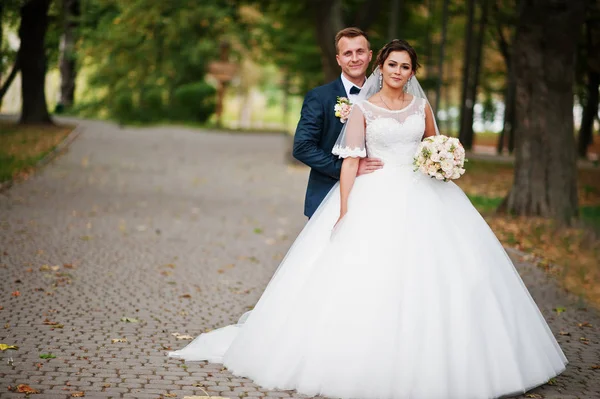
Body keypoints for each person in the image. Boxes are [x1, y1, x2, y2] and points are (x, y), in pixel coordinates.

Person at [169, 39, 567, 399]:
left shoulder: (421, 106)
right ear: (382, 66)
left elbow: (434, 142)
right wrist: (344, 210)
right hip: (375, 193)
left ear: (413, 72)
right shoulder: (363, 108)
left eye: (405, 67)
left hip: (426, 195)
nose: (398, 72)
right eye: (392, 65)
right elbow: (350, 163)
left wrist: (443, 159)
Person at [293, 27, 383, 218]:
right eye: (347, 53)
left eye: (360, 51)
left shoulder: (384, 97)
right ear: (338, 59)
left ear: (370, 55)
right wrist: (344, 168)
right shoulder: (319, 97)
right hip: (329, 192)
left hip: (377, 194)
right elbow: (302, 147)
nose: (355, 58)